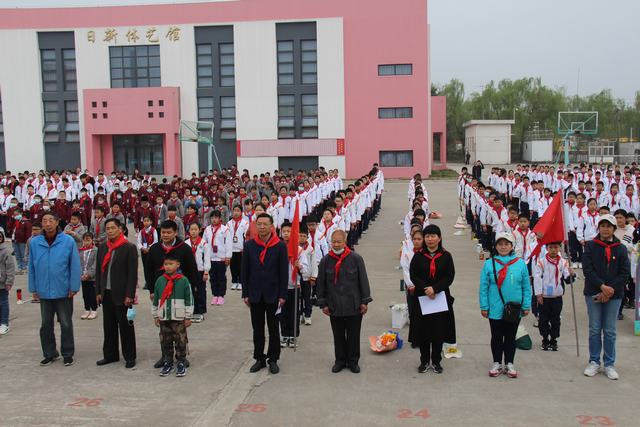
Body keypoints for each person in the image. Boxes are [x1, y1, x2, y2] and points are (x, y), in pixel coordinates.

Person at [28, 211, 81, 366]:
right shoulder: (35, 242)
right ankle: (50, 353)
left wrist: (74, 286)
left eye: (51, 220)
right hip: (43, 290)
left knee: (65, 323)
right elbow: (31, 266)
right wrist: (33, 288)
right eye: (44, 220)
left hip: (63, 290)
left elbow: (74, 265)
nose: (48, 224)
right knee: (45, 325)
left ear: (57, 222)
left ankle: (67, 353)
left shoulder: (67, 241)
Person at [144, 220, 199, 369]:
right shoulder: (155, 249)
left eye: (169, 232)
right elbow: (148, 270)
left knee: (179, 329)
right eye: (163, 232)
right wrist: (151, 290)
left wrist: (193, 288)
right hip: (161, 292)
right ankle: (165, 357)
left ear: (175, 233)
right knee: (165, 329)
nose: (166, 235)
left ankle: (181, 357)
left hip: (179, 293)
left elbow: (192, 269)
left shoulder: (184, 248)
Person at [316, 229, 372, 374]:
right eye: (333, 242)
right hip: (334, 305)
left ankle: (353, 361)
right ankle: (340, 361)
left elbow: (363, 281)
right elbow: (321, 284)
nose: (336, 244)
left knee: (354, 335)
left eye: (339, 242)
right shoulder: (326, 261)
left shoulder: (356, 259)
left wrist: (364, 301)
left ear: (345, 242)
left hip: (353, 304)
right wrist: (323, 303)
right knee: (338, 335)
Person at [582, 214, 629, 380]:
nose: (605, 229)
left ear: (614, 228)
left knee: (609, 330)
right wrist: (602, 287)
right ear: (598, 228)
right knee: (595, 329)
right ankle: (594, 361)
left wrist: (609, 290)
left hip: (614, 295)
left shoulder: (621, 248)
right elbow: (588, 270)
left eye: (609, 226)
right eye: (602, 225)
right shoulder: (590, 246)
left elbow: (624, 273)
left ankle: (609, 364)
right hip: (594, 292)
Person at [241, 213, 288, 375]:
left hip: (273, 294)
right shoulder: (249, 245)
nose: (262, 227)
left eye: (265, 224)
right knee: (257, 329)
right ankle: (259, 358)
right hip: (255, 294)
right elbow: (245, 271)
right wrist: (245, 293)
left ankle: (273, 359)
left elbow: (283, 272)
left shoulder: (280, 246)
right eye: (259, 224)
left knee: (274, 329)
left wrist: (283, 295)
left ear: (271, 226)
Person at [479, 232, 531, 379]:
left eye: (506, 244)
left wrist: (526, 305)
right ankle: (496, 362)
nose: (503, 247)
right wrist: (484, 306)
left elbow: (526, 287)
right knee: (496, 336)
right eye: (500, 244)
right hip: (495, 307)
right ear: (495, 246)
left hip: (514, 309)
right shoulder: (489, 264)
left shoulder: (520, 264)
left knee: (510, 337)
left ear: (512, 246)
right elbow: (483, 287)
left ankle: (509, 363)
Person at [408, 225, 455, 374]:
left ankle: (436, 361)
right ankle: (424, 360)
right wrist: (426, 289)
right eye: (427, 236)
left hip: (440, 298)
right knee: (423, 331)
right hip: (422, 297)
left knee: (438, 330)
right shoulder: (418, 256)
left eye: (433, 236)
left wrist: (435, 289)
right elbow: (413, 275)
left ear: (439, 238)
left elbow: (449, 276)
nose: (430, 239)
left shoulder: (446, 256)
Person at [95, 218, 138, 369]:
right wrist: (98, 291)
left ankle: (130, 356)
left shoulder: (128, 247)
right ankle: (110, 355)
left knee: (126, 327)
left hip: (122, 294)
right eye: (107, 228)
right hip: (106, 293)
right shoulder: (102, 247)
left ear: (121, 229)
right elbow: (99, 271)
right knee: (109, 326)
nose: (110, 231)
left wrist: (130, 294)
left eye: (113, 228)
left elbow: (132, 274)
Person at [152, 255, 194, 377]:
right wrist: (155, 315)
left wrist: (188, 316)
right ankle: (168, 362)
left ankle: (181, 362)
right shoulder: (160, 281)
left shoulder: (184, 280)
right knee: (166, 341)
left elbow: (189, 299)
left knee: (181, 341)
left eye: (171, 264)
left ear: (178, 265)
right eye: (166, 264)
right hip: (164, 317)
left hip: (179, 317)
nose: (168, 267)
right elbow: (156, 300)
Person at [533, 242, 573, 351]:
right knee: (543, 319)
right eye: (550, 247)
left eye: (556, 247)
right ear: (546, 248)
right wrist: (538, 294)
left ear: (560, 248)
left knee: (556, 319)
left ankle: (554, 339)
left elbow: (567, 277)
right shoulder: (541, 262)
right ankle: (545, 339)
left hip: (557, 296)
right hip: (544, 296)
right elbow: (537, 278)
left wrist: (571, 275)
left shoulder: (563, 262)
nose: (553, 250)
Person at [185, 222, 209, 322]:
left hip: (200, 271)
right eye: (191, 229)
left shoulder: (203, 243)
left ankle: (200, 311)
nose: (193, 231)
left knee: (200, 290)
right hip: (189, 272)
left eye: (195, 229)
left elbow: (207, 258)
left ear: (200, 230)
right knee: (190, 291)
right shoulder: (186, 243)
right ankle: (191, 310)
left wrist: (206, 271)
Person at [79, 232, 98, 320]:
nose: (86, 242)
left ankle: (94, 310)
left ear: (92, 240)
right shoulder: (81, 250)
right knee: (85, 294)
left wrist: (89, 274)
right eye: (85, 240)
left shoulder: (95, 250)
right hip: (83, 277)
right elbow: (79, 263)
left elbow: (95, 264)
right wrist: (81, 274)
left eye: (88, 240)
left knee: (92, 294)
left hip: (92, 278)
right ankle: (87, 309)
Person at [0, 229, 16, 335]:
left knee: (3, 303)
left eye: (0, 236)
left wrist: (9, 281)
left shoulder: (5, 251)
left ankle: (4, 323)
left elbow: (10, 267)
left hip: (2, 282)